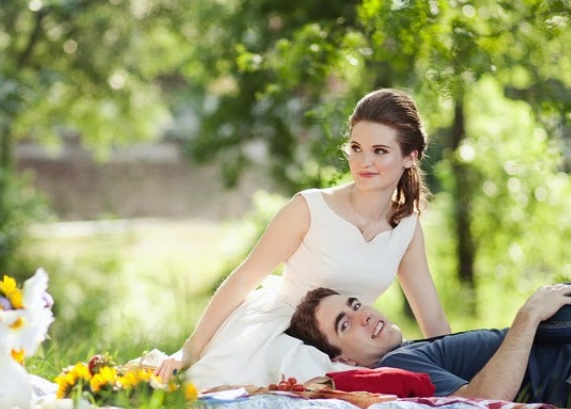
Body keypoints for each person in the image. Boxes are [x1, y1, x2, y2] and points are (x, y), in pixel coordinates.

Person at [155, 89, 452, 390]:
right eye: (356, 147)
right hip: (283, 336)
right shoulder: (310, 208)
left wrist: (454, 366)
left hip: (352, 350)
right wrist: (189, 350)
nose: (364, 162)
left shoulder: (407, 227)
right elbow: (244, 278)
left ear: (409, 157)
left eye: (380, 151)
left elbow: (433, 318)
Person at [286, 265, 571, 409]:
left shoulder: (414, 350)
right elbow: (479, 401)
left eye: (354, 304)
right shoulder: (400, 367)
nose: (362, 315)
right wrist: (528, 315)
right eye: (344, 324)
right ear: (345, 361)